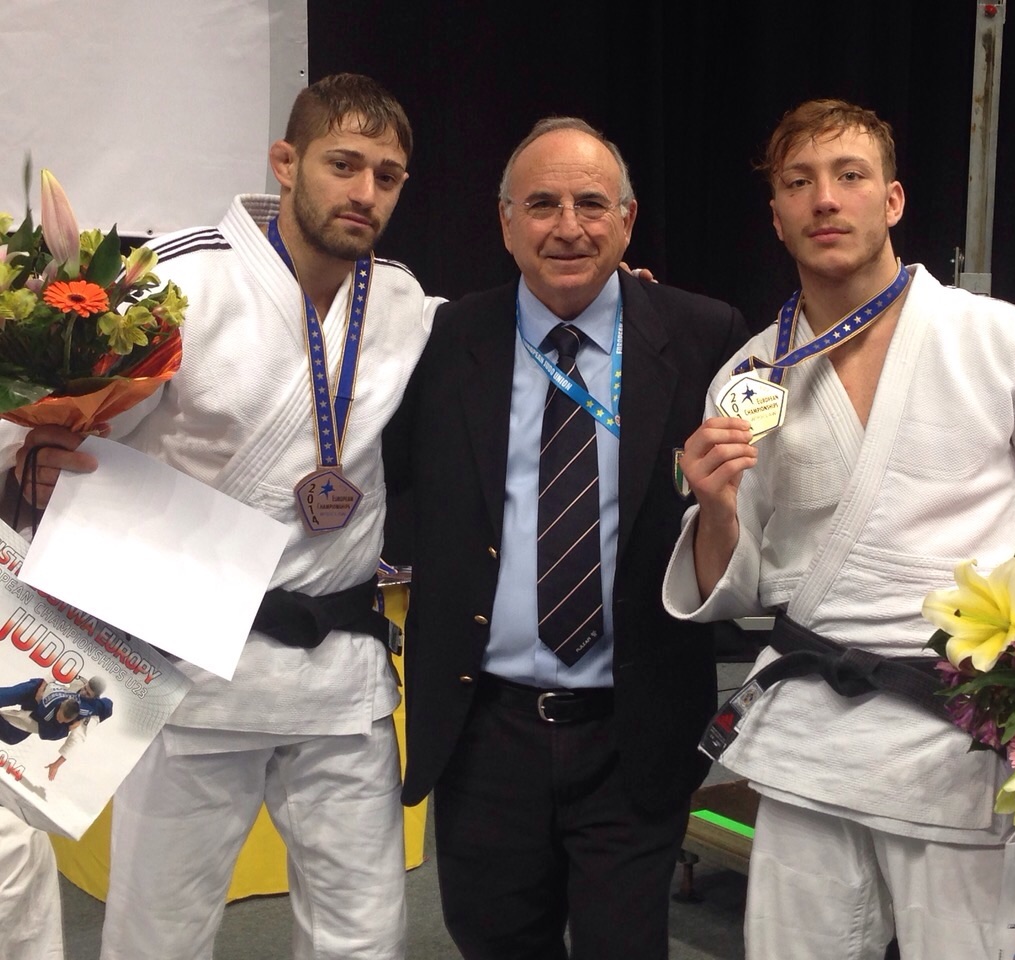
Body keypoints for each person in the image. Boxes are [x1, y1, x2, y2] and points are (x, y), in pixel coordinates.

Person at [662, 99, 1015, 960]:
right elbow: (735, 580)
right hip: (813, 735)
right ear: (776, 216)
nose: (824, 199)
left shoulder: (995, 336)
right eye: (798, 183)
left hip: (964, 727)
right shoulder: (749, 375)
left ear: (892, 200)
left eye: (849, 176)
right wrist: (718, 507)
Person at [2, 73, 443, 960]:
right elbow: (47, 436)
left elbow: (500, 351)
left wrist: (615, 297)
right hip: (187, 671)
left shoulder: (403, 302)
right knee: (157, 937)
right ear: (285, 161)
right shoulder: (178, 278)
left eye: (387, 176)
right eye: (343, 165)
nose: (364, 192)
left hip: (341, 674)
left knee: (365, 939)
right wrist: (32, 466)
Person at [385, 116, 749, 960]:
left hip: (634, 729)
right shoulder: (447, 340)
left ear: (628, 220)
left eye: (591, 203)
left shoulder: (703, 336)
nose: (568, 227)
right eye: (542, 204)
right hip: (485, 729)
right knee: (494, 943)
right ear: (506, 222)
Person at [0, 676, 112, 779]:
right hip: (37, 691)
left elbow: (77, 739)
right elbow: (56, 672)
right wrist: (42, 687)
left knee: (11, 737)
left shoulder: (89, 715)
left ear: (95, 697)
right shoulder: (79, 681)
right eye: (85, 688)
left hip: (39, 714)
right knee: (4, 696)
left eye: (88, 694)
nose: (83, 692)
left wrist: (56, 764)